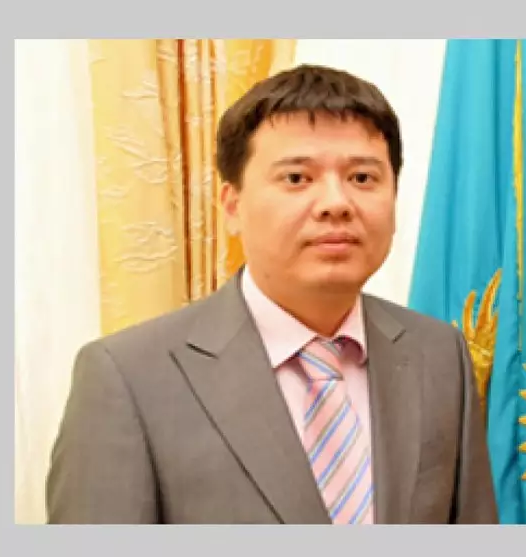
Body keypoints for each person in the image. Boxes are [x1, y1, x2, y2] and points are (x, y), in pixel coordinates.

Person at [46, 64, 499, 524]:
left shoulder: (439, 354)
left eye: (362, 178)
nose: (336, 203)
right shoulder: (128, 378)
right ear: (232, 206)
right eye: (297, 178)